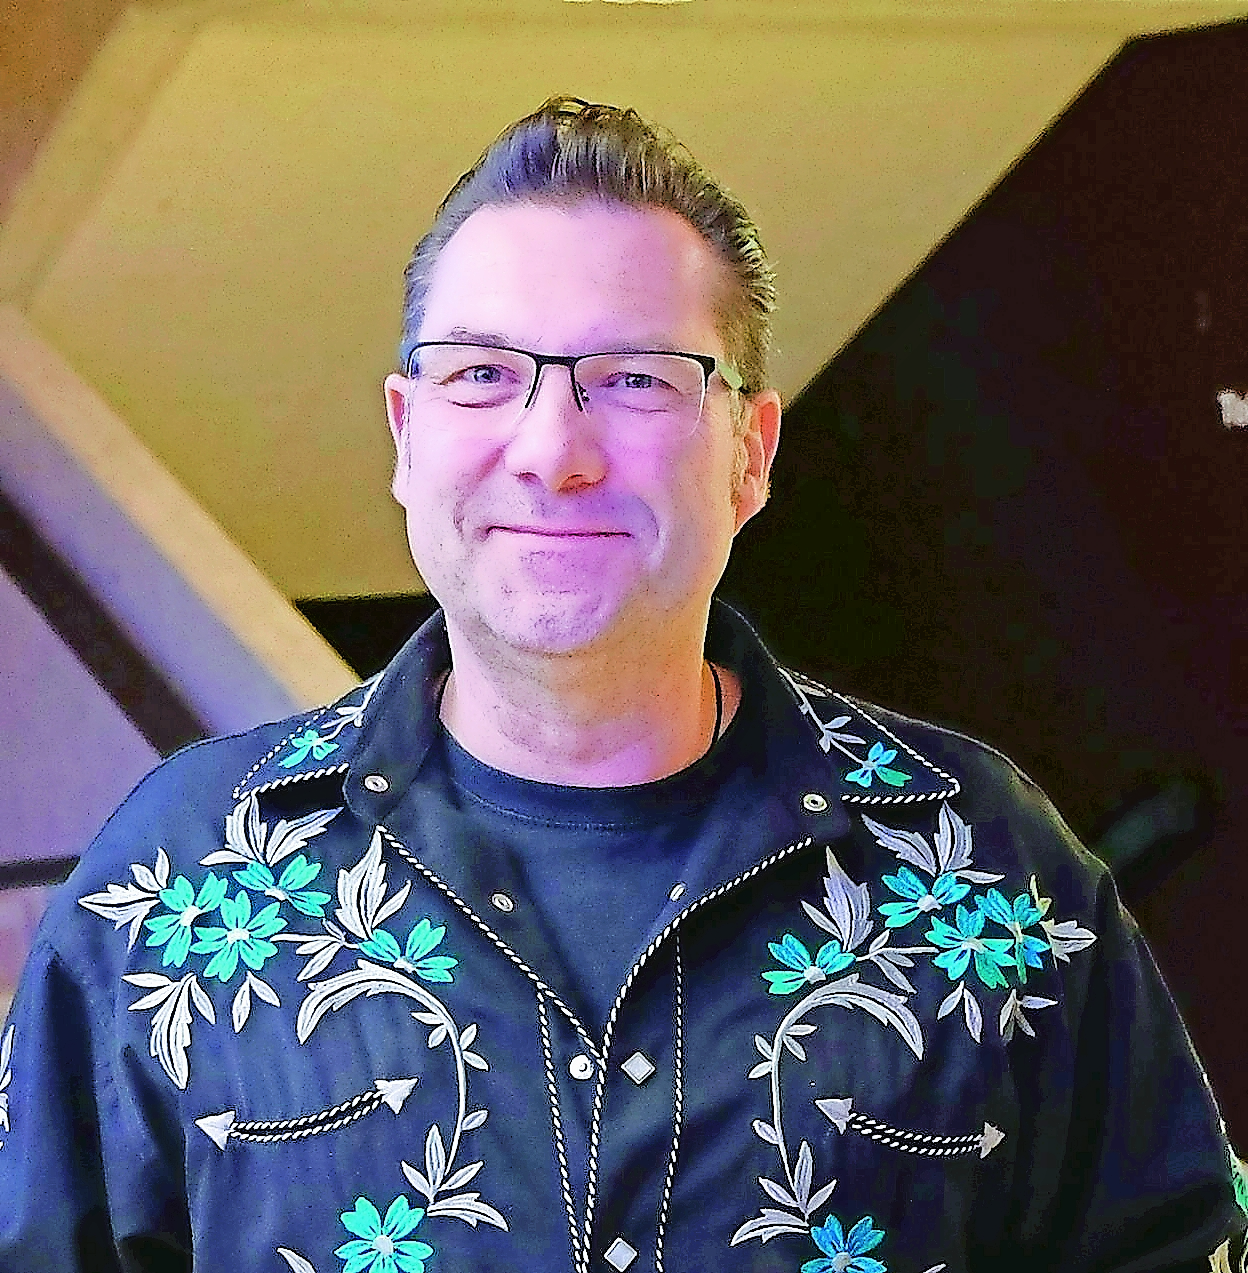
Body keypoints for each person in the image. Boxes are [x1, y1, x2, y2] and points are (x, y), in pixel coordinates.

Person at [0, 97, 1242, 1273]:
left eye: (637, 377)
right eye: (482, 374)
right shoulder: (171, 885)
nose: (554, 451)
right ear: (406, 433)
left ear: (750, 452)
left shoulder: (987, 871)